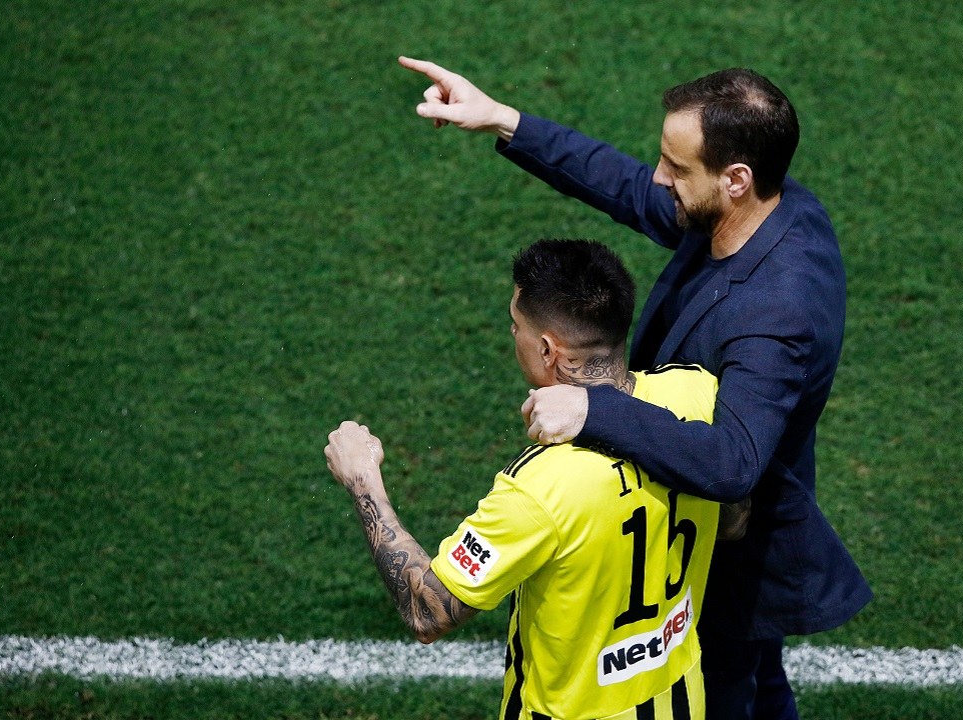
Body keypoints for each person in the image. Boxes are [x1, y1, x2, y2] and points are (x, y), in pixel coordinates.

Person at [398, 58, 873, 719]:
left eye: (677, 167)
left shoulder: (776, 311)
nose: (659, 177)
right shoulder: (764, 208)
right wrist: (505, 121)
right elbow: (631, 188)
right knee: (763, 691)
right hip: (705, 530)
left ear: (735, 178)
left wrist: (596, 408)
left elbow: (732, 461)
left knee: (731, 691)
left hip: (729, 557)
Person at [326, 239, 743, 720]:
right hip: (680, 700)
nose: (512, 333)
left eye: (515, 324)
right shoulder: (697, 394)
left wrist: (364, 481)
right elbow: (733, 516)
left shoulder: (540, 486)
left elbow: (428, 611)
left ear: (547, 349)